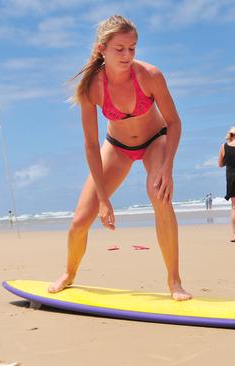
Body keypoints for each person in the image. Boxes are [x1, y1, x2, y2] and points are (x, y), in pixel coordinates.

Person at [49, 15, 191, 301]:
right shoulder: (92, 87)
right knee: (79, 221)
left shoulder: (150, 75)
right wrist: (103, 199)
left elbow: (174, 122)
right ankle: (69, 273)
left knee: (159, 195)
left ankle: (174, 281)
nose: (127, 55)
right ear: (102, 49)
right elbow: (91, 145)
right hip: (116, 147)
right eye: (120, 49)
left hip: (155, 141)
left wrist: (167, 167)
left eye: (133, 48)